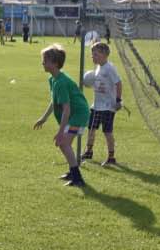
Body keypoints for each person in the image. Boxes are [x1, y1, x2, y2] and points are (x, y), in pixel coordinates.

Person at [33, 44, 90, 188]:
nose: (42, 63)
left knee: (63, 143)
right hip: (73, 115)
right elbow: (54, 101)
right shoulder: (53, 80)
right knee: (64, 145)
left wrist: (60, 132)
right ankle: (73, 172)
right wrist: (43, 118)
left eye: (45, 60)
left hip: (78, 115)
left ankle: (78, 178)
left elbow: (66, 109)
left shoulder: (61, 82)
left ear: (54, 63)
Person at [82, 42, 122, 167]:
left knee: (107, 131)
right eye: (92, 54)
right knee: (91, 128)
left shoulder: (109, 68)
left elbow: (119, 83)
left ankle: (111, 157)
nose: (92, 57)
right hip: (96, 105)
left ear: (104, 55)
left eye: (95, 54)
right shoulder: (98, 67)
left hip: (108, 107)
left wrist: (118, 100)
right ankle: (88, 151)